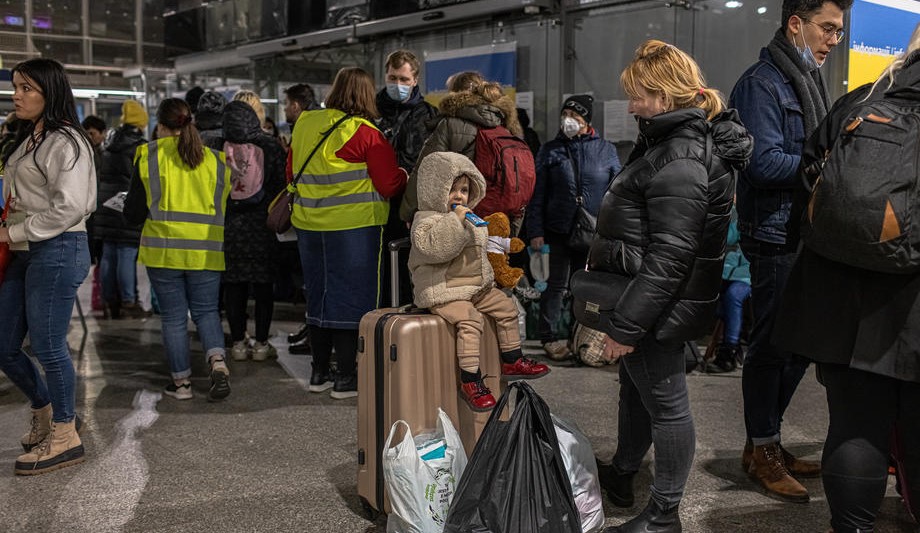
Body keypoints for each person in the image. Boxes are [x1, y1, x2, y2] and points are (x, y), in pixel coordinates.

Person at [593, 41, 751, 532]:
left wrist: (626, 325)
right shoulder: (668, 145)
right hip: (651, 299)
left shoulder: (679, 158)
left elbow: (670, 257)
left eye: (637, 95)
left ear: (663, 96)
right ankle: (623, 472)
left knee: (667, 407)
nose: (631, 106)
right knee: (637, 393)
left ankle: (664, 515)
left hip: (655, 305)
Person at [774, 24, 920, 532]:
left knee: (855, 426)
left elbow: (810, 183)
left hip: (843, 298)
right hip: (914, 304)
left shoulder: (862, 99)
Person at [730, 0, 852, 501]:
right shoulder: (761, 83)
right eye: (827, 29)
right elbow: (761, 162)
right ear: (796, 24)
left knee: (801, 344)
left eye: (839, 32)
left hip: (804, 230)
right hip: (774, 232)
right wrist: (827, 166)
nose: (833, 41)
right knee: (772, 345)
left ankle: (766, 441)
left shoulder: (809, 79)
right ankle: (763, 449)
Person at [0, 58, 96, 475]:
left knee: (48, 345)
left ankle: (65, 433)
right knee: (4, 345)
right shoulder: (30, 138)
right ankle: (46, 409)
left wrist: (13, 232)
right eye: (15, 87)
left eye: (26, 88)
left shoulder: (66, 142)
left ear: (49, 92)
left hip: (58, 247)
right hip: (27, 249)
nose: (16, 96)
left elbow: (70, 207)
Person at [289, 67, 406, 398]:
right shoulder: (366, 133)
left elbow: (290, 170)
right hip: (354, 228)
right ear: (367, 94)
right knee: (352, 299)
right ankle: (345, 377)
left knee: (319, 294)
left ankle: (318, 372)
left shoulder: (305, 123)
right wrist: (404, 175)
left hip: (309, 226)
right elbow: (388, 184)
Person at [408, 151, 549, 411]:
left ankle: (512, 359)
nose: (459, 196)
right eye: (452, 190)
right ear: (434, 189)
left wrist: (490, 278)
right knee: (470, 320)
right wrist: (455, 221)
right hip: (444, 290)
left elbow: (480, 256)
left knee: (506, 307)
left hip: (472, 287)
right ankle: (470, 380)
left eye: (464, 190)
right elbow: (436, 248)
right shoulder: (425, 220)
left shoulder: (470, 217)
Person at [123, 98, 231, 402]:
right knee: (207, 312)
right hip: (206, 250)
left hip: (164, 251)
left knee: (173, 317)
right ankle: (217, 362)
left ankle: (182, 385)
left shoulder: (149, 156)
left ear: (160, 125)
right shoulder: (216, 160)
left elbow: (133, 212)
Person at [524, 94, 620, 360]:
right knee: (554, 286)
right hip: (557, 229)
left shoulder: (606, 150)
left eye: (575, 116)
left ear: (587, 121)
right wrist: (535, 231)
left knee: (587, 288)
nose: (568, 121)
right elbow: (537, 195)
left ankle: (581, 337)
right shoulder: (550, 150)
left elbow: (616, 193)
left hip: (593, 231)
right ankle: (550, 337)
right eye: (565, 115)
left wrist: (614, 230)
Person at [398, 77, 521, 223]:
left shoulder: (450, 125)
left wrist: (408, 213)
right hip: (499, 217)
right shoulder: (507, 130)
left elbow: (426, 170)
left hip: (459, 215)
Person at [221, 100, 286, 362]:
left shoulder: (217, 146)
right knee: (263, 288)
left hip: (230, 227)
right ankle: (261, 343)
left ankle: (238, 343)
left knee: (233, 287)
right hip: (262, 227)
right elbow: (282, 183)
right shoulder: (270, 145)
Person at [376, 49, 438, 306]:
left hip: (407, 207)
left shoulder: (427, 115)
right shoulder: (373, 111)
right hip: (375, 203)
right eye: (393, 78)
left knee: (406, 272)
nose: (398, 84)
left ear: (415, 80)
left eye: (403, 79)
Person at [94, 99, 149, 319]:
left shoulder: (109, 142)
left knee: (108, 252)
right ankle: (128, 301)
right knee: (127, 251)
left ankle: (109, 301)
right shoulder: (139, 146)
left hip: (104, 201)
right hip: (126, 200)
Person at [282, 82, 319, 356]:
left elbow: (291, 171)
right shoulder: (322, 122)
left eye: (286, 104)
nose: (285, 109)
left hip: (310, 215)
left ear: (296, 105)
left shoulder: (304, 127)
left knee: (314, 281)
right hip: (328, 215)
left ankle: (314, 332)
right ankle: (311, 329)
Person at [706, 205, 751, 373]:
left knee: (733, 296)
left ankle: (729, 350)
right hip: (727, 272)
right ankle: (731, 345)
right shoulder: (732, 210)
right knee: (717, 298)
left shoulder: (742, 210)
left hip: (748, 273)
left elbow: (729, 238)